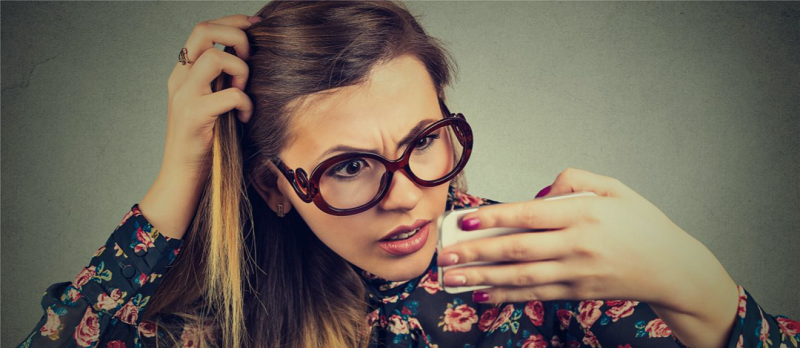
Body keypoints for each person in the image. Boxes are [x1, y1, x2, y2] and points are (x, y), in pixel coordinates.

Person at [15, 1, 797, 348]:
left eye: (425, 140)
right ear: (276, 189)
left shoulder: (543, 269)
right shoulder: (221, 317)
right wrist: (181, 170)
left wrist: (699, 286)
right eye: (349, 166)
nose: (409, 195)